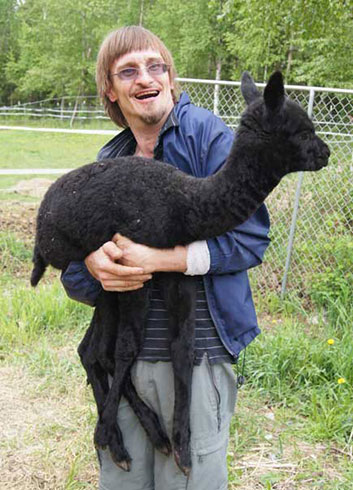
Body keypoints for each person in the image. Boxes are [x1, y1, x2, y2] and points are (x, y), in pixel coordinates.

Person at [61, 25, 270, 490]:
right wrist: (93, 262)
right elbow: (75, 274)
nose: (145, 78)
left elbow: (251, 237)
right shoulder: (109, 159)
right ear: (110, 91)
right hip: (124, 358)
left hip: (195, 355)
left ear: (172, 79)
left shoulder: (209, 139)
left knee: (187, 478)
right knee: (122, 478)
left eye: (156, 66)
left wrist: (159, 258)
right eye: (128, 71)